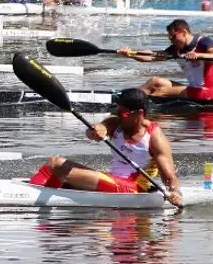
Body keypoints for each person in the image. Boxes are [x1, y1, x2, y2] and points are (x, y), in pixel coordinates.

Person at [27, 88, 183, 207]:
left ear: (139, 113)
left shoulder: (155, 138)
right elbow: (99, 128)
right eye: (116, 110)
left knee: (59, 168)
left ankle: (35, 195)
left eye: (122, 112)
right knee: (54, 163)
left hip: (133, 188)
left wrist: (175, 192)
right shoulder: (116, 123)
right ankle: (36, 192)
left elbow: (168, 176)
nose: (118, 114)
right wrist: (96, 131)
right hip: (112, 180)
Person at [117, 19, 213, 101]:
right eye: (170, 39)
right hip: (194, 88)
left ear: (183, 32)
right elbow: (150, 56)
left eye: (173, 37)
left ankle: (136, 103)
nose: (172, 41)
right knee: (155, 81)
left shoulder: (204, 42)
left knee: (160, 91)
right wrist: (130, 53)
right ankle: (127, 97)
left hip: (209, 92)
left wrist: (198, 55)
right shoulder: (175, 49)